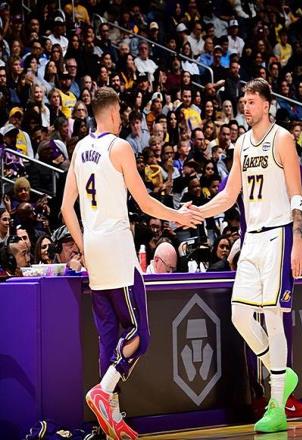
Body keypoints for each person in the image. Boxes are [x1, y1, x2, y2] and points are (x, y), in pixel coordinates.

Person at [61, 87, 202, 440]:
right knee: (140, 335)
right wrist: (178, 217)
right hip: (118, 249)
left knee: (109, 337)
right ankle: (103, 391)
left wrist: (84, 246)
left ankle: (110, 421)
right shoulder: (119, 146)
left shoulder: (79, 148)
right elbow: (145, 202)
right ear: (113, 113)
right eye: (121, 113)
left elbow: (65, 208)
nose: (122, 119)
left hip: (94, 249)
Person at [198, 78, 302, 433]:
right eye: (243, 101)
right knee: (240, 315)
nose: (245, 107)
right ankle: (281, 372)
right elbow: (229, 195)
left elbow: (297, 195)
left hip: (278, 233)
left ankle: (277, 405)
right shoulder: (242, 144)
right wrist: (198, 211)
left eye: (251, 101)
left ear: (267, 105)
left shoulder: (282, 139)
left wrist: (298, 240)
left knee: (273, 316)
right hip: (252, 238)